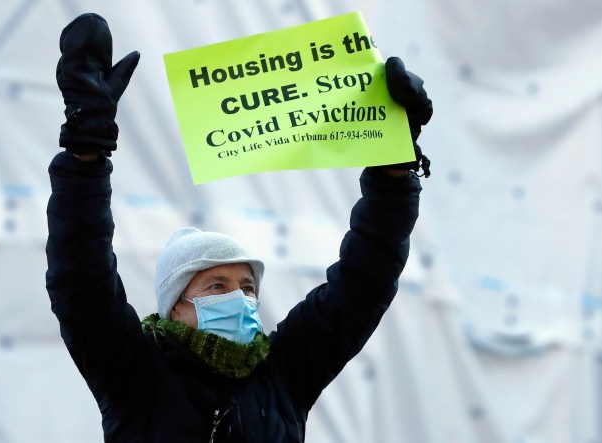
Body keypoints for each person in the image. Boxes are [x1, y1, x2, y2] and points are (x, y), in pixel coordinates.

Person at [46, 12, 432, 443]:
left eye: (248, 287)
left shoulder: (284, 374)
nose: (240, 298)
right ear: (175, 306)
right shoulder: (135, 374)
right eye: (216, 286)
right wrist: (85, 156)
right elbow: (81, 277)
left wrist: (395, 170)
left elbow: (365, 280)